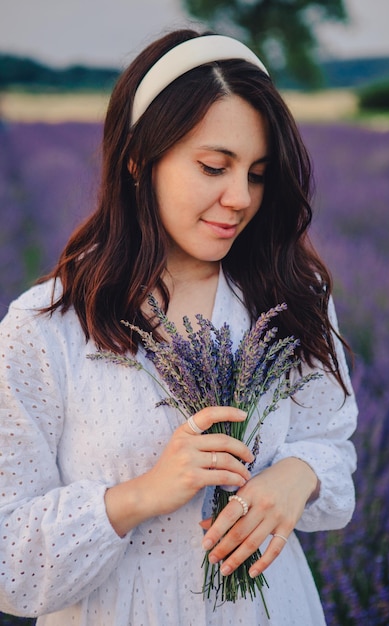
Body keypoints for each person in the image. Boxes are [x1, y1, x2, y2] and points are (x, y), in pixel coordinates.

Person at [0, 29, 357, 625]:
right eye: (214, 166)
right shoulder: (45, 328)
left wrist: (301, 475)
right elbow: (10, 563)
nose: (241, 197)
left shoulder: (290, 297)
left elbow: (330, 444)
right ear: (140, 157)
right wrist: (141, 494)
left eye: (259, 174)